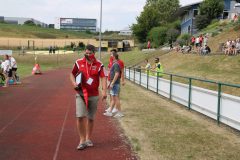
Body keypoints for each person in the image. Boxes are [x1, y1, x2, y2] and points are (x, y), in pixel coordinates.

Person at [70, 44, 107, 150]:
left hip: (94, 95)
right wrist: (74, 83)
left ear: (94, 53)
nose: (88, 54)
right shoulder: (79, 62)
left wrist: (104, 91)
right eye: (86, 53)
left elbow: (103, 77)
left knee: (91, 118)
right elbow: (72, 74)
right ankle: (82, 140)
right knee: (80, 116)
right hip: (81, 94)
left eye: (90, 53)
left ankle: (88, 138)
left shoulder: (99, 64)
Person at [104, 49, 125, 117]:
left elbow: (117, 74)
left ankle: (119, 112)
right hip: (113, 82)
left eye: (111, 55)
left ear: (113, 56)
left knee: (116, 98)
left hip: (115, 83)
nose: (110, 56)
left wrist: (112, 83)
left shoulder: (116, 64)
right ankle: (110, 111)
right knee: (113, 98)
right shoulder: (114, 63)